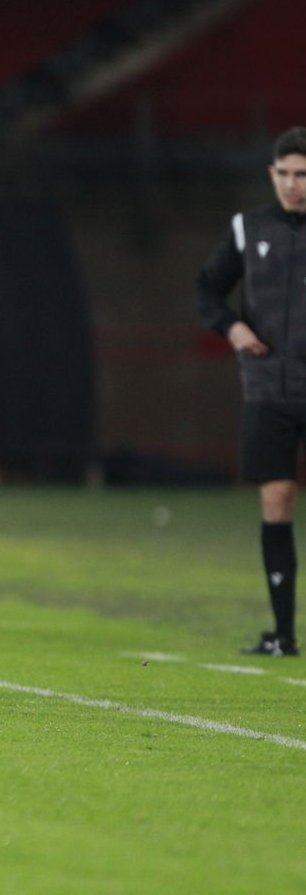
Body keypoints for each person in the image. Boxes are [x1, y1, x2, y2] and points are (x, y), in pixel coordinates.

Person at [195, 126, 306, 657]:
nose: (292, 184)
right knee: (276, 498)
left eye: (302, 174)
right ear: (272, 175)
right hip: (269, 388)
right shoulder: (249, 227)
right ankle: (283, 635)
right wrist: (232, 327)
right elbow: (207, 288)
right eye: (284, 174)